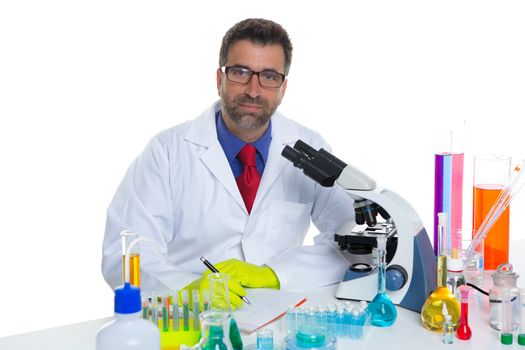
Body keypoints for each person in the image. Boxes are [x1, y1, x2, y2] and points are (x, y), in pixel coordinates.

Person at [102, 18, 355, 309]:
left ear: (283, 87)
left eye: (269, 76)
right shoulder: (167, 152)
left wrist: (275, 274)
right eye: (241, 72)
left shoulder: (309, 147)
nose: (254, 90)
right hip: (190, 320)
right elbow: (125, 252)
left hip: (278, 318)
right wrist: (187, 291)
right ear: (219, 79)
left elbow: (349, 238)